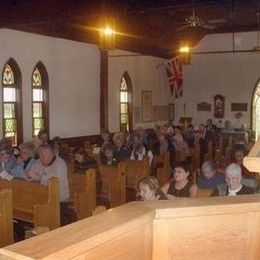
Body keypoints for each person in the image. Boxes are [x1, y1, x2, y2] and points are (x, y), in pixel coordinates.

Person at [26, 144, 71, 225]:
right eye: (40, 155)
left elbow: (55, 181)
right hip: (42, 198)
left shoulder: (60, 163)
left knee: (49, 216)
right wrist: (30, 177)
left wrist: (39, 177)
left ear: (51, 154)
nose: (42, 158)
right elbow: (31, 173)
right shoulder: (38, 162)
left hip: (59, 199)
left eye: (44, 156)